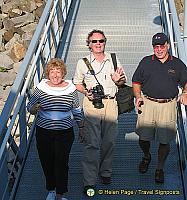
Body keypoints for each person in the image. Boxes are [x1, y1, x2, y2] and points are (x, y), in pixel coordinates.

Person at [73, 29, 126, 193]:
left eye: (101, 41)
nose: (98, 44)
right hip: (91, 104)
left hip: (111, 103)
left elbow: (123, 81)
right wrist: (85, 92)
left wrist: (119, 81)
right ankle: (89, 181)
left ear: (105, 42)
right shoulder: (82, 62)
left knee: (109, 142)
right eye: (94, 41)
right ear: (88, 44)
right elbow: (77, 83)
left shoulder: (114, 59)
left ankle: (105, 172)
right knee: (92, 144)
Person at [132, 32, 187, 183]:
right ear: (153, 47)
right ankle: (146, 156)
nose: (159, 49)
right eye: (156, 46)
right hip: (147, 103)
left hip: (168, 105)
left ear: (167, 46)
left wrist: (186, 93)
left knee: (164, 140)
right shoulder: (145, 62)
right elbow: (136, 81)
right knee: (143, 137)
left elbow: (186, 81)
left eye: (162, 46)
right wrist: (138, 96)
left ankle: (160, 168)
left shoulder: (177, 64)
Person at [27, 58, 83, 200]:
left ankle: (61, 193)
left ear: (63, 73)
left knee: (61, 162)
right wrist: (35, 108)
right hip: (44, 132)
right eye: (52, 72)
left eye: (58, 71)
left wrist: (81, 127)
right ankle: (51, 189)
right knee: (47, 161)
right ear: (48, 73)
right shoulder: (41, 88)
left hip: (64, 133)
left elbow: (76, 110)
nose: (55, 75)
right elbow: (30, 107)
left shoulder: (71, 88)